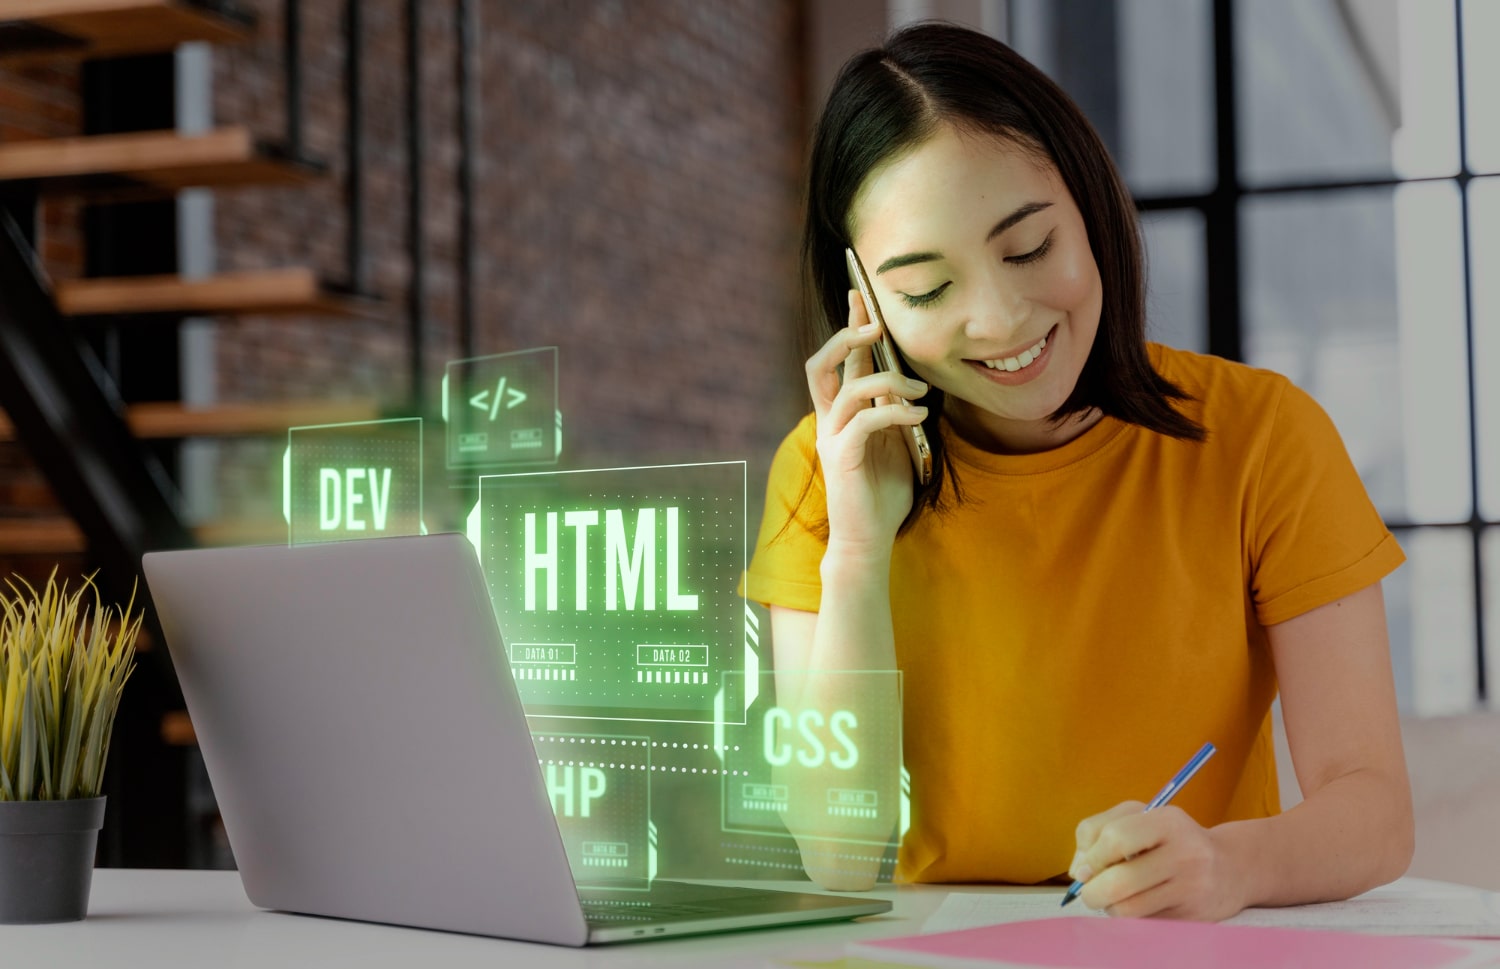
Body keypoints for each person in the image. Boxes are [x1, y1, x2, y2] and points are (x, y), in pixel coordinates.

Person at [743, 21, 1413, 920]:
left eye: (1027, 250)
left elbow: (1372, 809)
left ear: (1091, 209)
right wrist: (859, 548)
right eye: (926, 290)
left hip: (1175, 942)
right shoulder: (825, 469)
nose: (1001, 321)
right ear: (865, 303)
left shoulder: (1264, 438)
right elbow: (836, 853)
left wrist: (1228, 863)